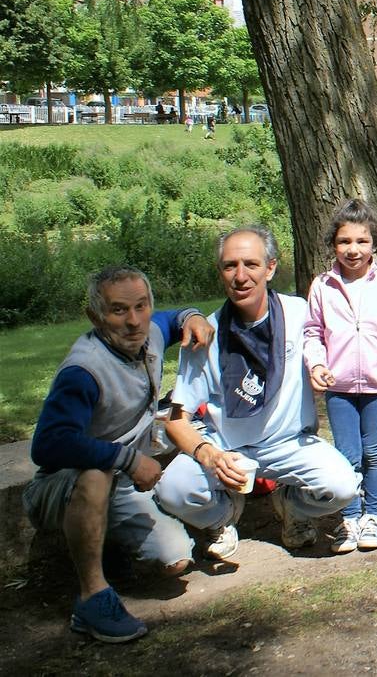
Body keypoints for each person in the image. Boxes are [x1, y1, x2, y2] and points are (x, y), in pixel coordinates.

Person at [156, 227, 373, 557]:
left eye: (251, 265)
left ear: (270, 268)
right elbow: (176, 419)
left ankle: (291, 507)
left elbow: (355, 340)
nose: (240, 276)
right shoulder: (205, 335)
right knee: (172, 491)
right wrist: (209, 456)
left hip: (290, 443)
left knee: (343, 487)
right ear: (220, 273)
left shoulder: (300, 315)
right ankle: (223, 516)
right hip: (226, 447)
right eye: (230, 266)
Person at [25, 267, 211, 643]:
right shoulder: (84, 371)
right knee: (95, 475)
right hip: (64, 486)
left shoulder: (150, 334)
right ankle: (92, 598)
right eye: (118, 311)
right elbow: (47, 443)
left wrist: (191, 315)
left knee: (176, 559)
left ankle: (104, 546)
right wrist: (126, 459)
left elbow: (172, 320)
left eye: (140, 306)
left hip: (122, 485)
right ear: (96, 317)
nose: (133, 321)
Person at [303, 199, 377, 552]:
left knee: (375, 451)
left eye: (362, 241)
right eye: (345, 241)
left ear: (374, 244)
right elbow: (313, 332)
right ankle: (349, 518)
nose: (353, 249)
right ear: (333, 245)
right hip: (340, 388)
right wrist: (316, 364)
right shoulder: (322, 285)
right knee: (346, 454)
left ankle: (372, 517)